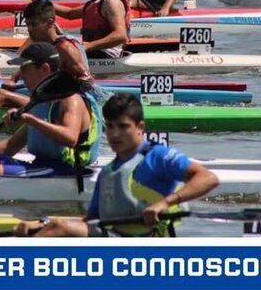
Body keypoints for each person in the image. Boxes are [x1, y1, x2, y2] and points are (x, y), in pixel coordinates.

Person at [15, 93, 219, 237]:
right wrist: (42, 226)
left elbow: (208, 178)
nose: (114, 134)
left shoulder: (158, 156)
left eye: (123, 126)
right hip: (116, 239)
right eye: (110, 127)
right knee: (40, 229)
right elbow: (90, 221)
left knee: (60, 228)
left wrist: (164, 203)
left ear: (140, 127)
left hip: (150, 242)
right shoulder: (108, 172)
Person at [0, 42, 102, 179]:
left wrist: (30, 119)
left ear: (44, 69)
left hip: (66, 171)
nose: (21, 76)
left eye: (25, 69)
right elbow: (11, 146)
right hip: (40, 165)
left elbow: (70, 138)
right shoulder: (41, 100)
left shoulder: (71, 99)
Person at [0, 0, 95, 109]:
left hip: (62, 105)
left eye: (34, 24)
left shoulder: (65, 48)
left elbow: (88, 82)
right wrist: (13, 80)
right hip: (43, 98)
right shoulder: (39, 45)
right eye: (28, 25)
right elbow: (28, 64)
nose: (30, 29)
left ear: (50, 23)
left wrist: (57, 89)